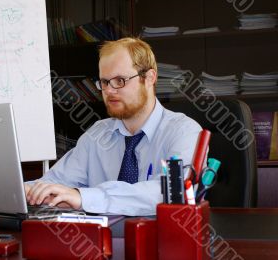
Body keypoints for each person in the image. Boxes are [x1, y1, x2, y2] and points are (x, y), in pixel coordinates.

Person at [25, 37, 202, 216]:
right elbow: (55, 181)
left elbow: (169, 193)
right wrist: (24, 191)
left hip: (162, 239)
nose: (109, 91)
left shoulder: (184, 132)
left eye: (120, 81)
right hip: (101, 241)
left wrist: (84, 198)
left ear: (149, 78)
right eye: (104, 82)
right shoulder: (97, 134)